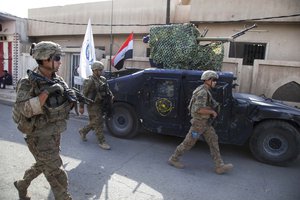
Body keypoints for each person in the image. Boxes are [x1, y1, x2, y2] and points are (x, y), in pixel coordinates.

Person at [12, 41, 75, 199]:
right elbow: (24, 109)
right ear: (45, 59)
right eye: (57, 57)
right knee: (56, 175)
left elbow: (64, 106)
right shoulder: (28, 82)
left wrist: (72, 98)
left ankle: (22, 184)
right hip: (38, 136)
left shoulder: (58, 79)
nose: (60, 61)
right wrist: (46, 92)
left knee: (42, 164)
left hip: (54, 133)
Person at [168, 70, 233, 174]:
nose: (215, 82)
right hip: (198, 124)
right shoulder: (202, 92)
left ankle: (219, 166)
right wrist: (212, 112)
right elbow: (198, 109)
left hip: (205, 123)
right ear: (208, 80)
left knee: (213, 141)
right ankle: (174, 159)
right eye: (214, 80)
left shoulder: (205, 90)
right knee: (188, 143)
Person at [79, 61, 113, 150]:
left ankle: (83, 131)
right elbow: (83, 94)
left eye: (102, 70)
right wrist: (81, 106)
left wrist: (111, 97)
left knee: (96, 121)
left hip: (102, 104)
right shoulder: (89, 81)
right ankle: (102, 142)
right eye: (100, 70)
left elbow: (107, 90)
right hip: (92, 105)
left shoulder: (103, 79)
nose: (102, 71)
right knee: (98, 122)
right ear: (95, 70)